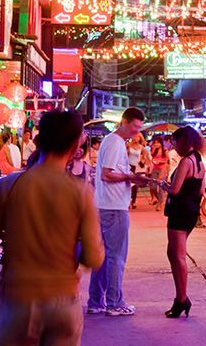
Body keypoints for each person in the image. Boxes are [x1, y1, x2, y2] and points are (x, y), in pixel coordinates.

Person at [0, 110, 104, 346]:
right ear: (75, 144)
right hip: (63, 302)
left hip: (19, 302)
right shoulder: (81, 193)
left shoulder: (9, 186)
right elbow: (93, 257)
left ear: (40, 139)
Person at [89, 107, 146, 316]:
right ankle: (114, 303)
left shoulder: (113, 142)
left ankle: (96, 302)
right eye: (134, 126)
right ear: (124, 122)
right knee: (116, 257)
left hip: (106, 205)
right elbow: (107, 175)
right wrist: (131, 177)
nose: (136, 131)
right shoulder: (114, 143)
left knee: (104, 257)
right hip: (113, 208)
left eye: (139, 128)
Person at [144, 126, 206, 318]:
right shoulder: (198, 161)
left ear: (183, 142)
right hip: (190, 211)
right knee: (174, 253)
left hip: (180, 212)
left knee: (178, 256)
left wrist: (160, 183)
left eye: (175, 141)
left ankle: (181, 299)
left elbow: (175, 189)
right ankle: (181, 298)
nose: (173, 145)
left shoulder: (186, 162)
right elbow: (202, 190)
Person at [150, 135, 168, 209]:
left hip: (162, 169)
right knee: (153, 187)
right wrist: (153, 149)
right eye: (155, 143)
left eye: (158, 143)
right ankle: (159, 200)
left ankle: (160, 204)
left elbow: (167, 159)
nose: (156, 144)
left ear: (161, 143)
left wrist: (160, 161)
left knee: (160, 186)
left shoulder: (165, 150)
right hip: (154, 168)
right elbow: (151, 157)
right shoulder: (154, 149)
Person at [127, 134, 144, 210]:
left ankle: (133, 201)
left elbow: (146, 155)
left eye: (138, 137)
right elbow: (124, 155)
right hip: (129, 166)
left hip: (137, 167)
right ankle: (127, 201)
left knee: (135, 186)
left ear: (140, 138)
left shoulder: (141, 147)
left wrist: (143, 161)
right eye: (134, 136)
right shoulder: (128, 145)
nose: (136, 138)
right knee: (128, 185)